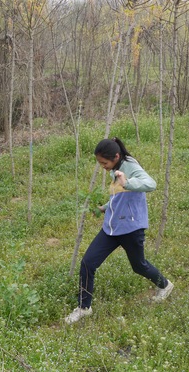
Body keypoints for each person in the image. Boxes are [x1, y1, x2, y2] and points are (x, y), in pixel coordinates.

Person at [65, 137, 174, 324]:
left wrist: (128, 182)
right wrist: (105, 207)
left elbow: (151, 184)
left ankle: (165, 285)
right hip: (112, 227)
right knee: (88, 263)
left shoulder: (131, 167)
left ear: (116, 157)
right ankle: (84, 307)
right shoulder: (115, 168)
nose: (103, 166)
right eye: (100, 163)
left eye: (104, 163)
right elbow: (118, 196)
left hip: (131, 228)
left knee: (139, 265)